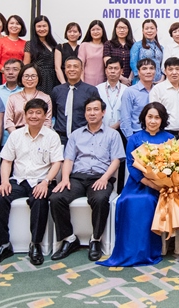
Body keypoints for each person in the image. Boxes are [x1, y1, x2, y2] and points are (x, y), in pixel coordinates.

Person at [0, 98, 64, 267]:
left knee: (40, 200)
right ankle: (3, 244)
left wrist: (46, 182)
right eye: (30, 112)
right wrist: (4, 181)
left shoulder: (52, 136)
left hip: (42, 180)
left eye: (38, 113)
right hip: (18, 180)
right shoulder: (16, 135)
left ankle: (35, 244)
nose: (34, 116)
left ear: (45, 116)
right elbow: (7, 161)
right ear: (25, 115)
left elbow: (57, 163)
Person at [50, 96, 126, 262]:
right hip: (77, 178)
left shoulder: (113, 135)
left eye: (96, 109)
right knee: (56, 198)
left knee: (100, 199)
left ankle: (95, 239)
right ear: (84, 113)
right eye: (89, 110)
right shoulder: (76, 135)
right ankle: (69, 239)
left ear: (103, 112)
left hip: (100, 177)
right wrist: (65, 179)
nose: (92, 113)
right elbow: (68, 159)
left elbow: (116, 160)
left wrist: (105, 178)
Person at [97, 101, 170, 267]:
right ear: (144, 118)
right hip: (138, 183)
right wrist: (151, 184)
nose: (153, 121)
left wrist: (161, 184)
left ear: (162, 120)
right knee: (127, 201)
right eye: (150, 117)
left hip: (163, 185)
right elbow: (131, 166)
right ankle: (128, 251)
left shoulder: (169, 139)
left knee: (149, 201)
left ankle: (147, 251)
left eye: (157, 117)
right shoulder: (134, 138)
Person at [51, 57, 100, 145]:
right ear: (65, 70)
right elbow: (54, 112)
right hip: (60, 139)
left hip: (84, 137)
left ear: (82, 69)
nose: (72, 69)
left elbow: (97, 114)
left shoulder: (91, 90)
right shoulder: (57, 90)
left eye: (75, 66)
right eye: (68, 66)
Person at [149, 57, 179, 139]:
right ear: (165, 71)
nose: (174, 72)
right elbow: (154, 113)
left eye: (177, 69)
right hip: (164, 133)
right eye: (170, 69)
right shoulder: (158, 89)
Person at [3, 63, 53, 133]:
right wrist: (17, 136)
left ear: (38, 77)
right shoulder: (13, 98)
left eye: (33, 76)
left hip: (40, 135)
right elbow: (8, 121)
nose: (30, 79)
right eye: (26, 76)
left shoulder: (45, 98)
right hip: (17, 134)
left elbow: (47, 121)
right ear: (21, 77)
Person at [119, 58, 156, 138]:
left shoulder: (158, 90)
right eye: (144, 69)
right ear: (138, 72)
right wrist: (131, 139)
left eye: (151, 68)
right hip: (137, 134)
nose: (148, 72)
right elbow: (125, 119)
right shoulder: (130, 92)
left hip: (156, 135)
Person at [24, 15, 60, 95]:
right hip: (39, 78)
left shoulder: (53, 44)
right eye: (39, 26)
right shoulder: (30, 44)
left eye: (44, 26)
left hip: (54, 78)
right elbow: (26, 66)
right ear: (34, 28)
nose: (42, 29)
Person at [96, 58, 127, 132]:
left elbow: (127, 113)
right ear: (106, 71)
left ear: (121, 71)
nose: (113, 71)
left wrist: (116, 126)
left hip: (121, 130)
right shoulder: (97, 89)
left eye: (116, 68)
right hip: (100, 130)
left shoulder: (126, 90)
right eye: (110, 68)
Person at [130, 19, 164, 83]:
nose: (149, 31)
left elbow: (163, 66)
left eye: (152, 28)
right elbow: (133, 63)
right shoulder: (137, 45)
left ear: (156, 30)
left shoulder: (161, 48)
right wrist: (141, 77)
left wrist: (161, 79)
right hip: (141, 82)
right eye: (146, 28)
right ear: (143, 31)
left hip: (158, 83)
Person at [103, 18, 135, 85]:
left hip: (129, 81)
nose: (122, 30)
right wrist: (122, 78)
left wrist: (129, 79)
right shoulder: (108, 44)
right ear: (115, 29)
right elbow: (108, 63)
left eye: (124, 28)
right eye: (119, 28)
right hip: (112, 81)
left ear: (128, 29)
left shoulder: (133, 45)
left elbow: (134, 63)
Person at [79, 20, 108, 85]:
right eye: (93, 30)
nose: (95, 32)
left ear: (102, 31)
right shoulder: (84, 45)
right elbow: (81, 65)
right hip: (86, 81)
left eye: (98, 29)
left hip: (102, 81)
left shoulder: (106, 46)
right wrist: (82, 83)